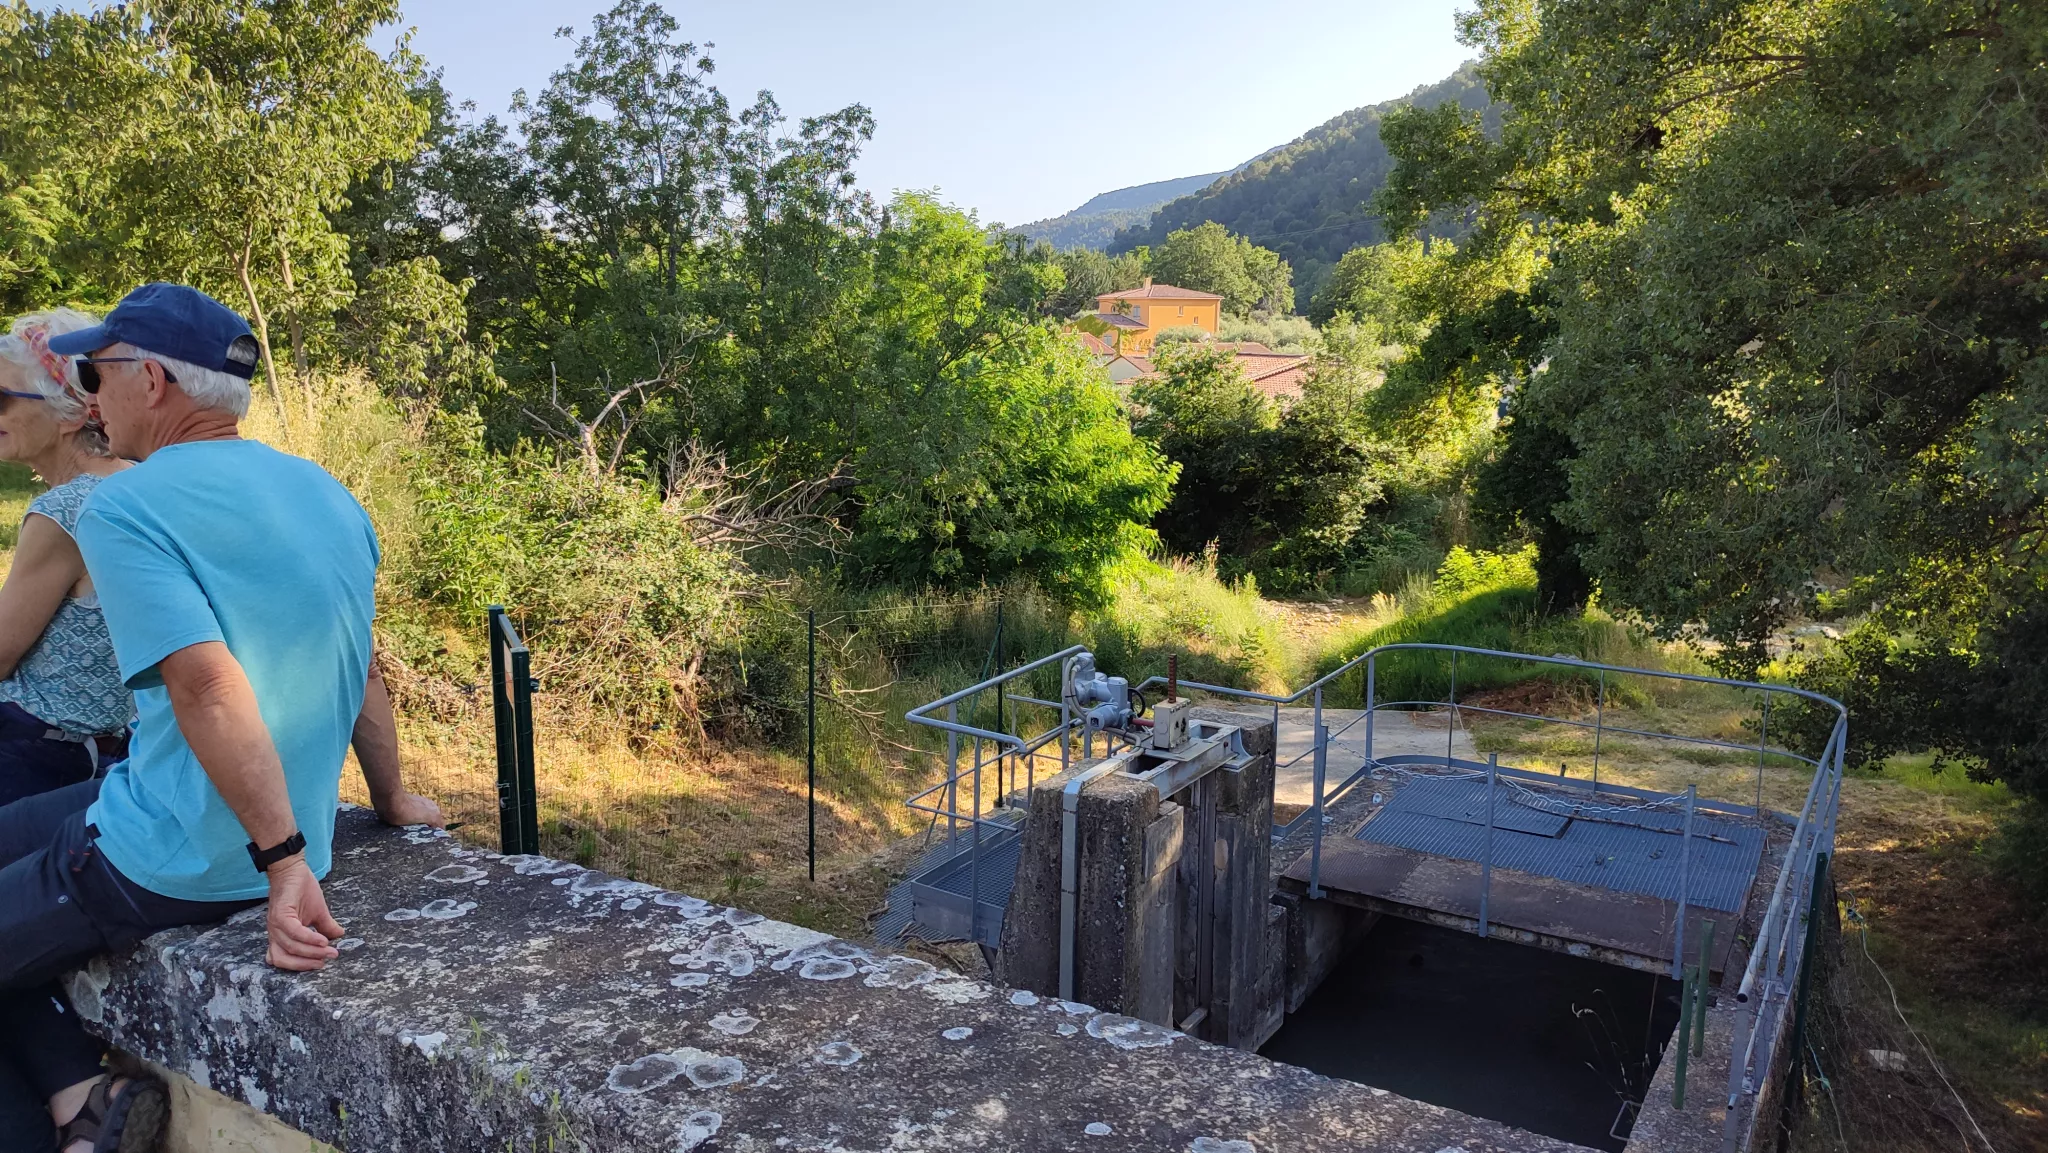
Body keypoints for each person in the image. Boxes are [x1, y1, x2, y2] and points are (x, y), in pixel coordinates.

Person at [0, 282, 413, 1153]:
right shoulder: (325, 490)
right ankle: (81, 1101)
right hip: (217, 816)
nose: (86, 392)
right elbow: (361, 664)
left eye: (94, 370)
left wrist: (285, 865)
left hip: (167, 857)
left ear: (150, 380)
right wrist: (395, 799)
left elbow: (206, 688)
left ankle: (76, 1126)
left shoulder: (126, 505)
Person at [0, 310, 134, 805]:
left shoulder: (63, 511)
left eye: (3, 399)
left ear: (72, 412)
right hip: (100, 747)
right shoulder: (132, 483)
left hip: (33, 751)